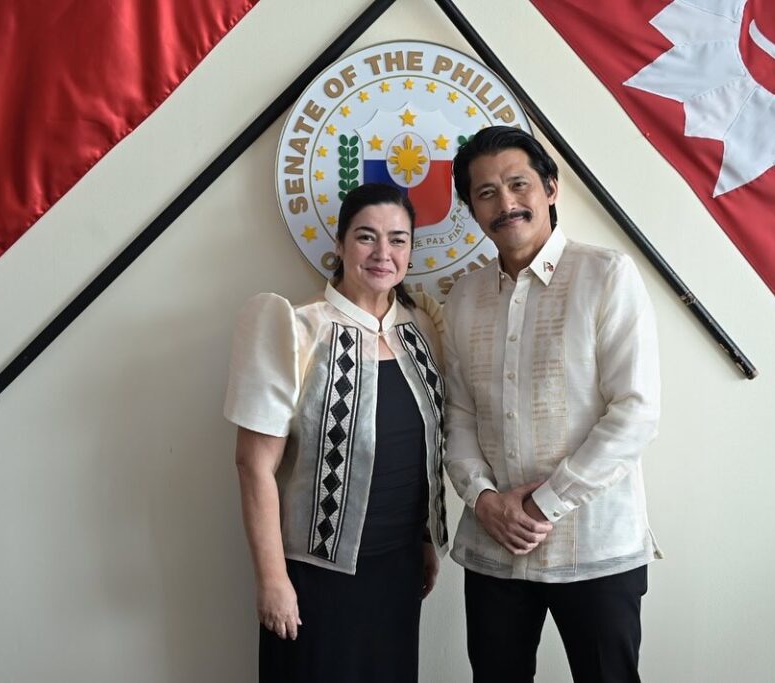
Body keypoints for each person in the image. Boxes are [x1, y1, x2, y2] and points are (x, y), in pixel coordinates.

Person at [443, 126, 662, 682]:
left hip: (593, 546)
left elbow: (634, 411)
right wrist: (483, 499)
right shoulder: (464, 297)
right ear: (472, 209)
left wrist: (544, 504)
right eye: (486, 192)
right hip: (493, 546)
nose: (505, 203)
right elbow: (459, 414)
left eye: (518, 184)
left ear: (551, 188)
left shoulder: (605, 275)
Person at [224, 182, 448, 683]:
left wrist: (424, 541)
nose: (383, 253)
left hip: (398, 567)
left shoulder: (421, 329)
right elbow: (252, 464)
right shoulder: (297, 329)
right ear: (340, 245)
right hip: (316, 573)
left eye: (398, 239)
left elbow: (417, 453)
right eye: (366, 237)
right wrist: (272, 580)